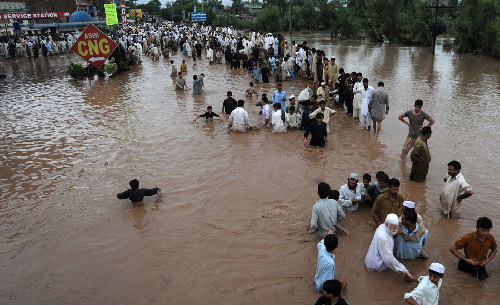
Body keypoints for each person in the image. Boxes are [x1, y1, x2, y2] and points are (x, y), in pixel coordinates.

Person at [365, 214, 414, 281]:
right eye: (393, 227)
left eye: (396, 226)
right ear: (386, 225)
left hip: (371, 259)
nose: (395, 229)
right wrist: (405, 270)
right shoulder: (383, 238)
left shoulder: (381, 226)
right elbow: (388, 259)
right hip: (376, 266)